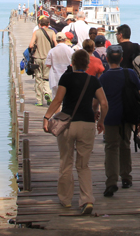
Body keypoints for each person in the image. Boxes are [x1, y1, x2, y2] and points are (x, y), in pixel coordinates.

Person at [43, 49, 108, 215]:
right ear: (87, 64)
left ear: (72, 63)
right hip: (87, 124)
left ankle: (65, 199)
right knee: (83, 165)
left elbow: (58, 100)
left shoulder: (66, 78)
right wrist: (101, 121)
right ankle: (87, 200)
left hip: (67, 124)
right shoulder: (93, 80)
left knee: (66, 162)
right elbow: (104, 103)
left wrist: (47, 117)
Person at [98, 45, 140, 196]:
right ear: (122, 59)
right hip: (127, 116)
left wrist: (98, 117)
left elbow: (98, 101)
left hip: (110, 117)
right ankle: (126, 177)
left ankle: (111, 181)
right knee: (125, 145)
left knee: (111, 148)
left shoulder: (103, 78)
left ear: (107, 58)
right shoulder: (130, 73)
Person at [28, 16, 56, 105]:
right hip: (48, 59)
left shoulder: (36, 32)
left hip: (37, 58)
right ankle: (47, 92)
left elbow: (31, 45)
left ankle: (39, 100)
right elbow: (56, 44)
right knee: (47, 78)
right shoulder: (52, 32)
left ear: (40, 24)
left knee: (38, 78)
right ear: (48, 24)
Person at [47, 32, 74, 98]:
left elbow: (48, 64)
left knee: (56, 97)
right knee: (67, 97)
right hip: (68, 76)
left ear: (56, 40)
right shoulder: (70, 50)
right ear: (65, 39)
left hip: (55, 77)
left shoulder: (52, 51)